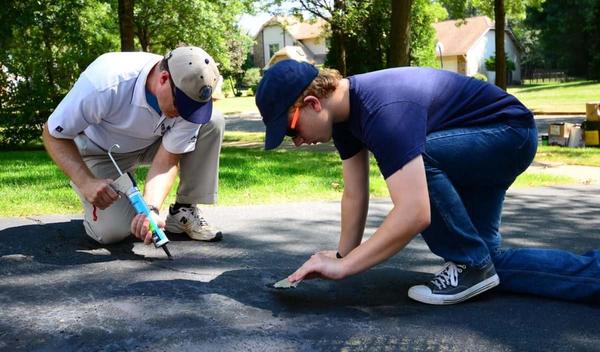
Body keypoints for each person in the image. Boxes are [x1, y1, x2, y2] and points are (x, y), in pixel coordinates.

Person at [255, 60, 600, 304]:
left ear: (313, 104)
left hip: (509, 135)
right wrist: (343, 252)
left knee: (424, 161)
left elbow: (414, 212)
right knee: (487, 265)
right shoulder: (344, 120)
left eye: (291, 130)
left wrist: (345, 267)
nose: (296, 141)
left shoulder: (382, 110)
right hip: (486, 141)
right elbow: (354, 192)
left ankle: (472, 263)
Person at [43, 46, 225, 246]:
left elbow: (167, 160)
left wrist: (151, 209)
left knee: (211, 121)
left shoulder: (188, 94)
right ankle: (96, 191)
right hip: (102, 152)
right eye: (181, 105)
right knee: (112, 233)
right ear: (163, 79)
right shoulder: (105, 81)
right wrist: (86, 182)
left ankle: (183, 211)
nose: (185, 114)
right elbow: (52, 134)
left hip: (153, 143)